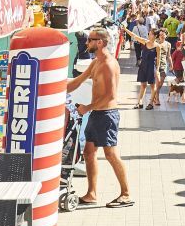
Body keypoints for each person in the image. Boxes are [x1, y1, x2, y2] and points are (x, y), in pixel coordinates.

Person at [67, 28, 134, 208]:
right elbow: (79, 80)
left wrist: (86, 108)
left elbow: (110, 96)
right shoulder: (96, 62)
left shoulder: (108, 65)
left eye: (90, 40)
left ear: (100, 42)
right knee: (89, 153)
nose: (86, 43)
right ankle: (91, 193)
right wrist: (56, 91)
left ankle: (126, 194)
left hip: (107, 115)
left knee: (111, 154)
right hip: (97, 114)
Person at [123, 25, 161, 108]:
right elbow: (134, 36)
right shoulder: (145, 42)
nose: (149, 35)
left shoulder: (158, 46)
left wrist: (157, 70)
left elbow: (158, 59)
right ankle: (139, 102)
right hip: (143, 66)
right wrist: (125, 29)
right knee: (143, 85)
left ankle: (150, 103)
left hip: (151, 67)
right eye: (149, 33)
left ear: (155, 36)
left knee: (152, 85)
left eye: (150, 34)